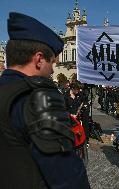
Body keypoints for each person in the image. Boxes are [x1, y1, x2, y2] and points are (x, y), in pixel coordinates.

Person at [0, 12, 90, 189]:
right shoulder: (38, 98)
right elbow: (68, 177)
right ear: (39, 59)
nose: (52, 70)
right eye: (52, 62)